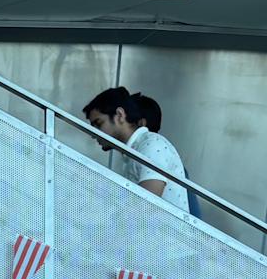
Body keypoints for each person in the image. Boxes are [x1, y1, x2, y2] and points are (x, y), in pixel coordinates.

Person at [83, 86, 197, 216]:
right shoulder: (132, 154)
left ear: (120, 115)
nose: (93, 134)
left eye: (99, 124)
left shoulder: (152, 144)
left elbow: (145, 207)